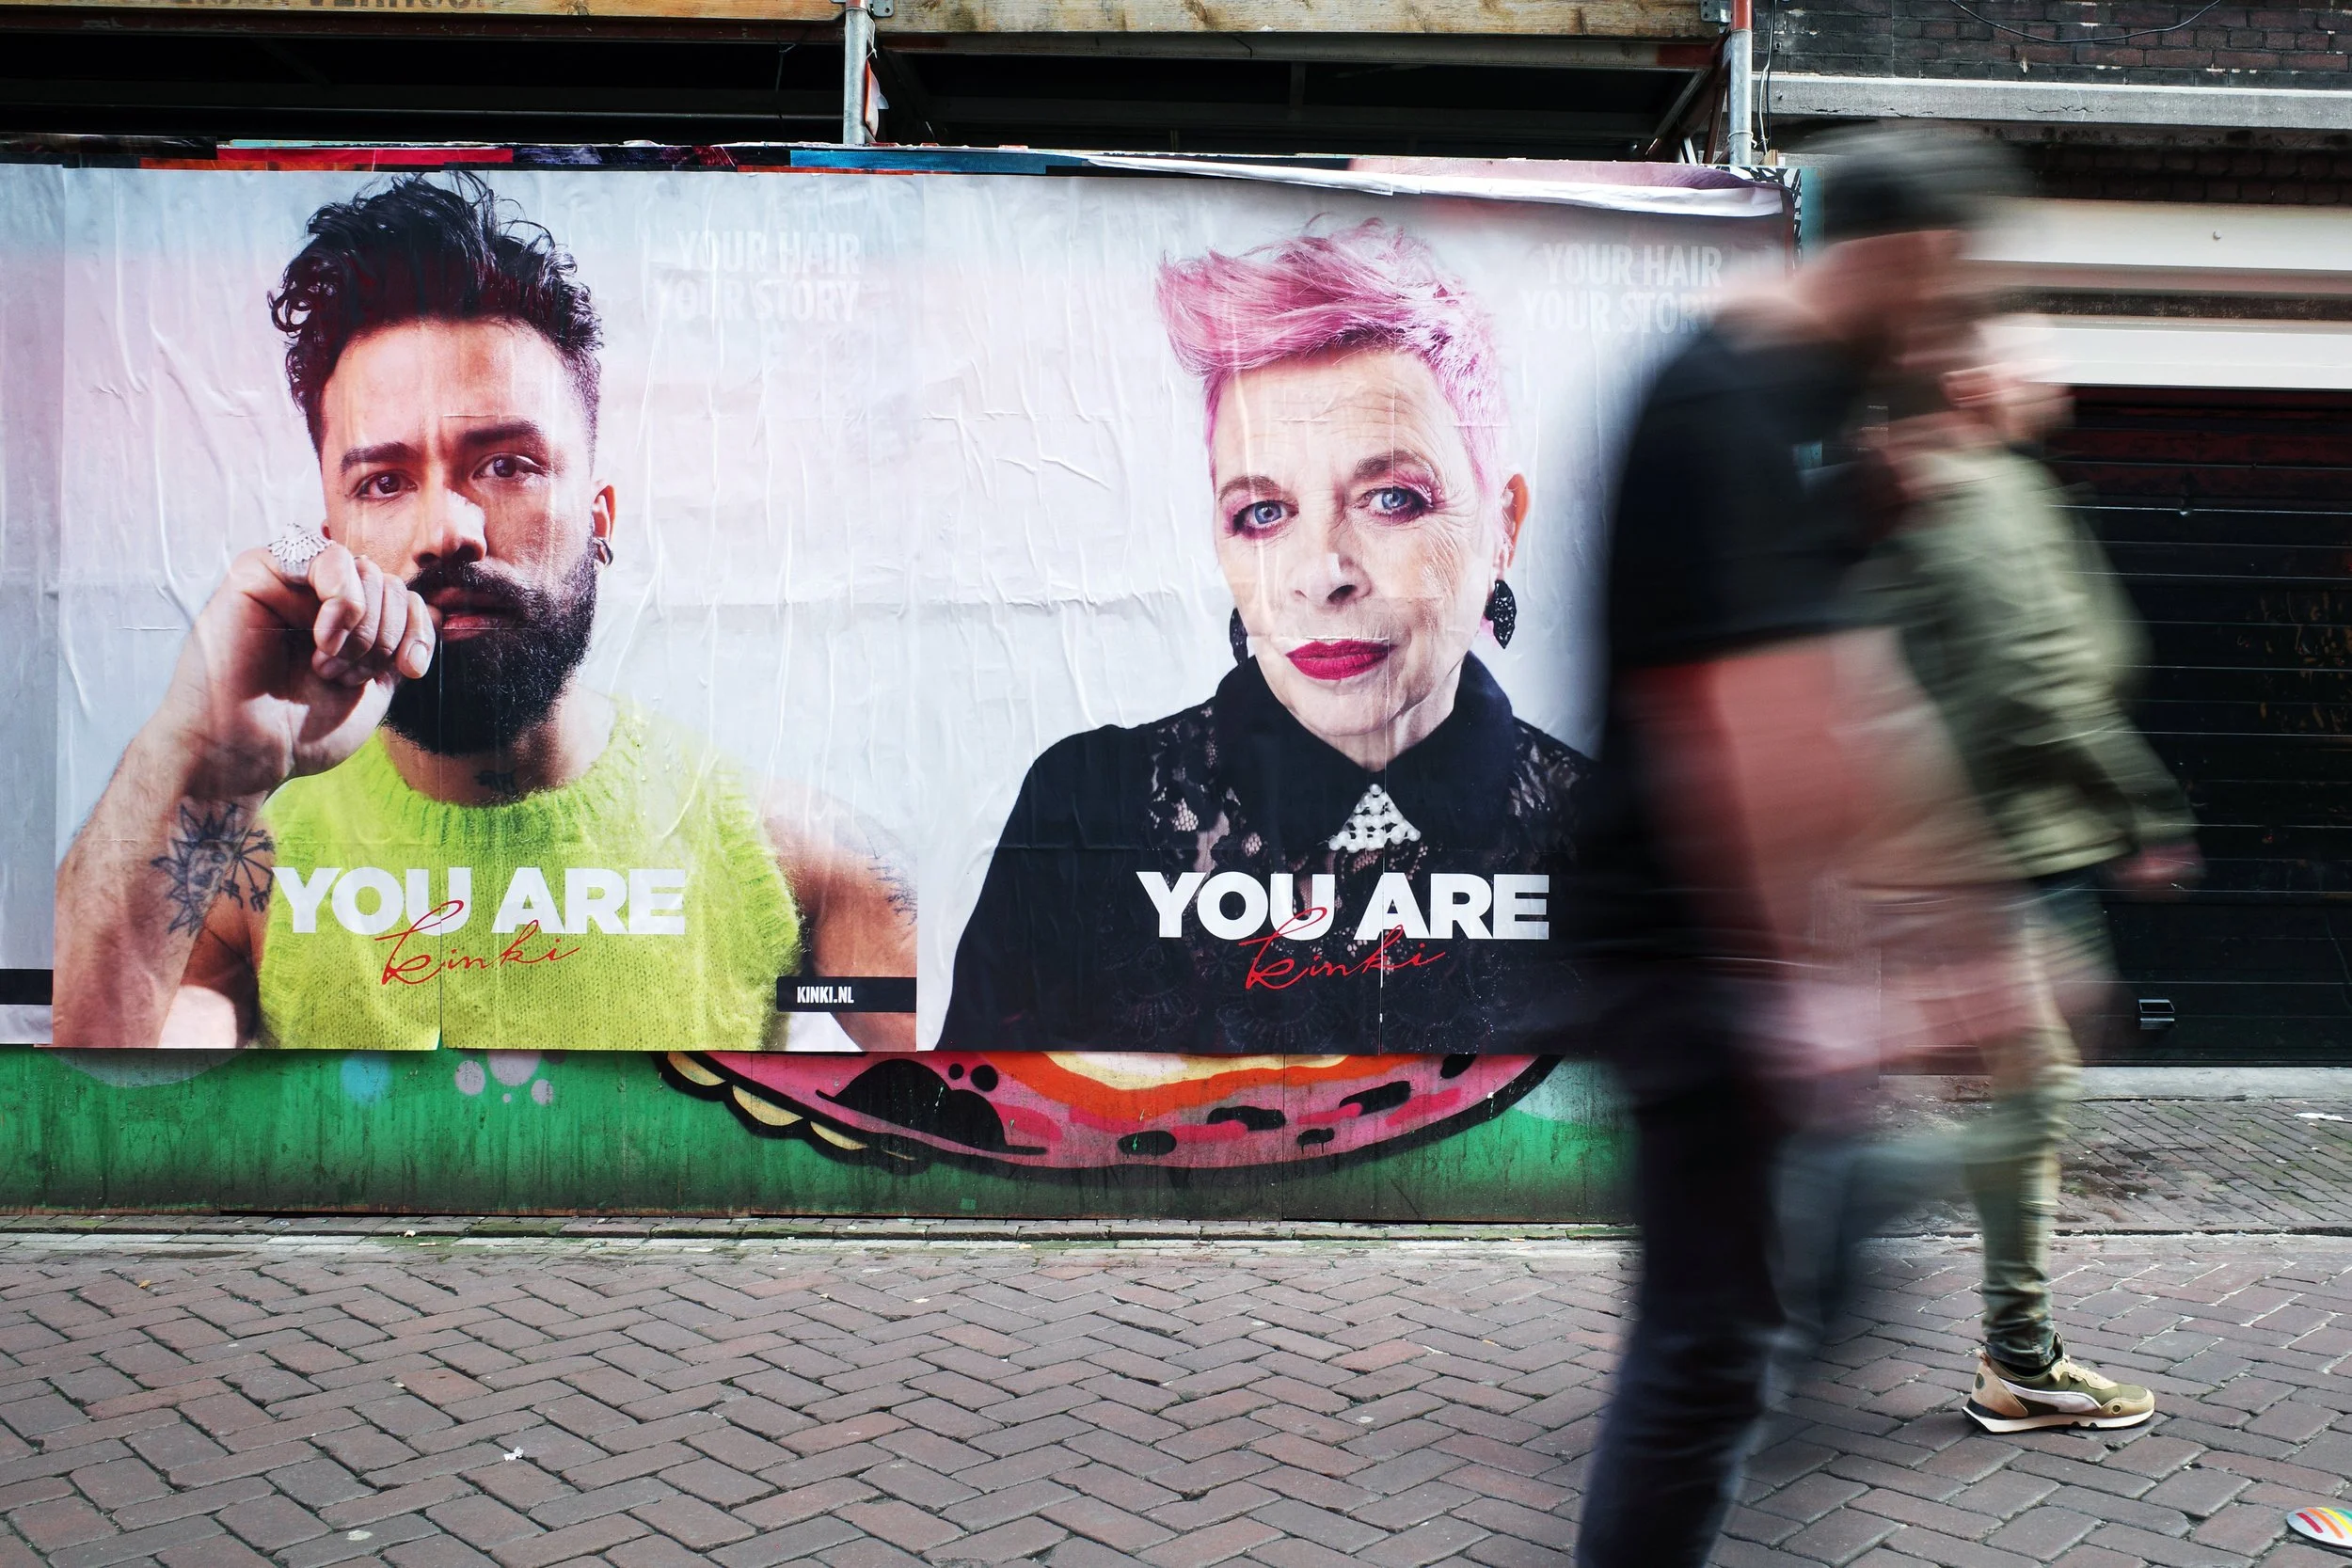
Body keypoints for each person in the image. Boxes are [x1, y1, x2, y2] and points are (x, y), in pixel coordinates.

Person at [53, 174, 916, 1054]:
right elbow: (105, 1108)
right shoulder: (245, 873)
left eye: (507, 464)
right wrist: (198, 764)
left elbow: (993, 1144)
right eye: (383, 482)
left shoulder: (799, 857)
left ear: (600, 518)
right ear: (331, 541)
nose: (446, 531)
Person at [1571, 127, 2028, 1567]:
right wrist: (1800, 976)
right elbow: (1749, 719)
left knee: (1770, 1300)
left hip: (1713, 950)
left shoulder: (1791, 410)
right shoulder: (1727, 402)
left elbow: (1836, 679)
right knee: (1709, 1347)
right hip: (1692, 953)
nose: (1968, 329)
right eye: (1959, 291)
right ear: (1905, 260)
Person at [942, 219, 1585, 1055]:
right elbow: (972, 1148)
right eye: (1264, 513)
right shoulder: (1085, 808)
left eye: (1391, 498)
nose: (1323, 573)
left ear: (1502, 528)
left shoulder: (1603, 830)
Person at [1808, 315, 2194, 1433]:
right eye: (2029, 350)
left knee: (2026, 1090)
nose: (2053, 367)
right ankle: (1868, 1218)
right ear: (1973, 376)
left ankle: (2012, 1349)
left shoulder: (1985, 484)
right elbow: (2035, 680)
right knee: (2030, 1098)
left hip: (1979, 846)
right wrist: (2146, 810)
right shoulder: (1975, 497)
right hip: (1989, 853)